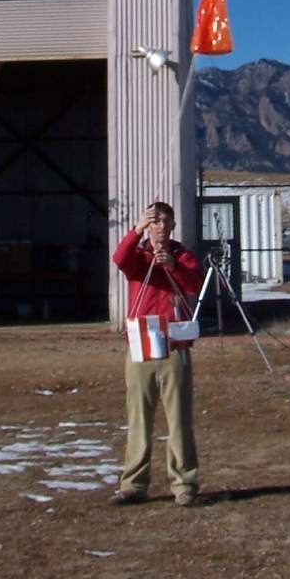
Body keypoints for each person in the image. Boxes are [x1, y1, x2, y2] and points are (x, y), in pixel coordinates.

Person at [111, 200, 203, 506]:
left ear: (173, 226)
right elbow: (120, 259)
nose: (160, 226)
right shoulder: (139, 257)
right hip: (142, 344)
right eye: (155, 221)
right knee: (139, 416)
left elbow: (194, 283)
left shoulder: (182, 255)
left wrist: (173, 266)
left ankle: (184, 484)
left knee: (179, 418)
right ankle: (133, 484)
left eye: (166, 221)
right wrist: (135, 230)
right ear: (148, 226)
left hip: (175, 344)